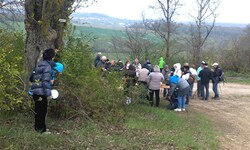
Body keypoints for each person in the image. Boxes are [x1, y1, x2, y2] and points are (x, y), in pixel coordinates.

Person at [30, 48, 56, 134]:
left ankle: (38, 128)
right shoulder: (48, 67)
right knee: (42, 111)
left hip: (35, 92)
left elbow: (32, 78)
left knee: (38, 111)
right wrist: (48, 94)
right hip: (41, 93)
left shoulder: (39, 65)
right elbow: (45, 82)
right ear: (52, 57)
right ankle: (41, 130)